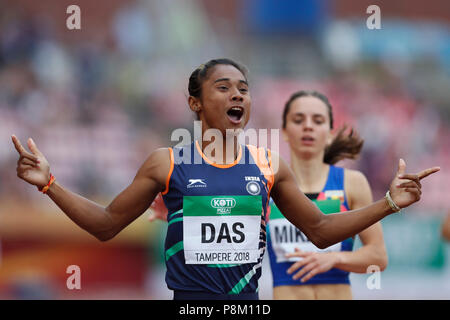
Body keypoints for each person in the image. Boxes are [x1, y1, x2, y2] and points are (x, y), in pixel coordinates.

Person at [12, 58, 439, 300]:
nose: (237, 94)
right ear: (194, 103)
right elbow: (106, 225)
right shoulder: (166, 164)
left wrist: (390, 203)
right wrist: (50, 184)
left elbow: (322, 231)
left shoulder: (270, 166)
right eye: (223, 87)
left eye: (244, 88)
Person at [266, 91, 387, 300]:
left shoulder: (352, 183)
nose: (308, 126)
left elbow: (378, 257)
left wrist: (334, 258)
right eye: (298, 119)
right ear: (284, 131)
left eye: (318, 120)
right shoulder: (268, 185)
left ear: (330, 133)